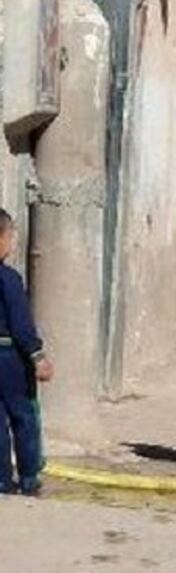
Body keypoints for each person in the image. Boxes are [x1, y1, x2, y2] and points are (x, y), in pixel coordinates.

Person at [0, 209, 53, 496]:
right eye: (10, 236)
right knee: (24, 417)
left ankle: (2, 480)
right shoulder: (9, 279)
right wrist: (37, 356)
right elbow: (21, 324)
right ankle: (29, 476)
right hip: (10, 358)